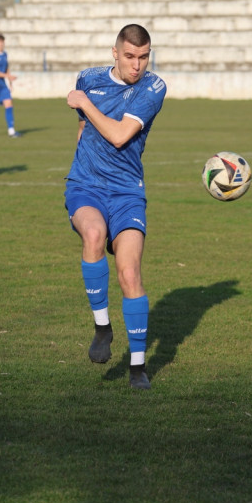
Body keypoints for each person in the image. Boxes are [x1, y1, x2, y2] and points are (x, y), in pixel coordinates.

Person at [64, 24, 167, 390]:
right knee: (93, 234)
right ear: (115, 52)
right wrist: (82, 162)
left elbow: (121, 135)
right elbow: (83, 128)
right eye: (129, 56)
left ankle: (137, 367)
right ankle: (103, 328)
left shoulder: (154, 88)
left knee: (129, 274)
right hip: (86, 186)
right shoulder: (89, 78)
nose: (137, 65)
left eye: (143, 57)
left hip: (126, 192)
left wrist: (84, 103)